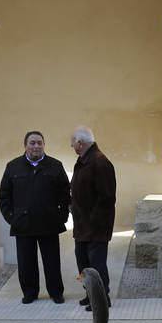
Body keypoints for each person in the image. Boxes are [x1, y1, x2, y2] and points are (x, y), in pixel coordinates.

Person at [0, 131, 70, 304]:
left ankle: (56, 292)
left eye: (39, 143)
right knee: (26, 263)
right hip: (23, 225)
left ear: (44, 145)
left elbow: (65, 194)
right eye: (32, 143)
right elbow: (4, 196)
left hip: (49, 223)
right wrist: (12, 218)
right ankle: (30, 293)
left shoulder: (55, 166)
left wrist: (61, 217)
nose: (36, 146)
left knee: (52, 262)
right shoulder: (13, 166)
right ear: (25, 145)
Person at [70, 126, 116, 311]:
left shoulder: (100, 162)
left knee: (96, 264)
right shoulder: (82, 161)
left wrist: (93, 221)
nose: (71, 146)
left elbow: (107, 197)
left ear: (80, 143)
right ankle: (90, 294)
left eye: (72, 143)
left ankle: (102, 298)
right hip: (82, 224)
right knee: (83, 262)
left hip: (95, 226)